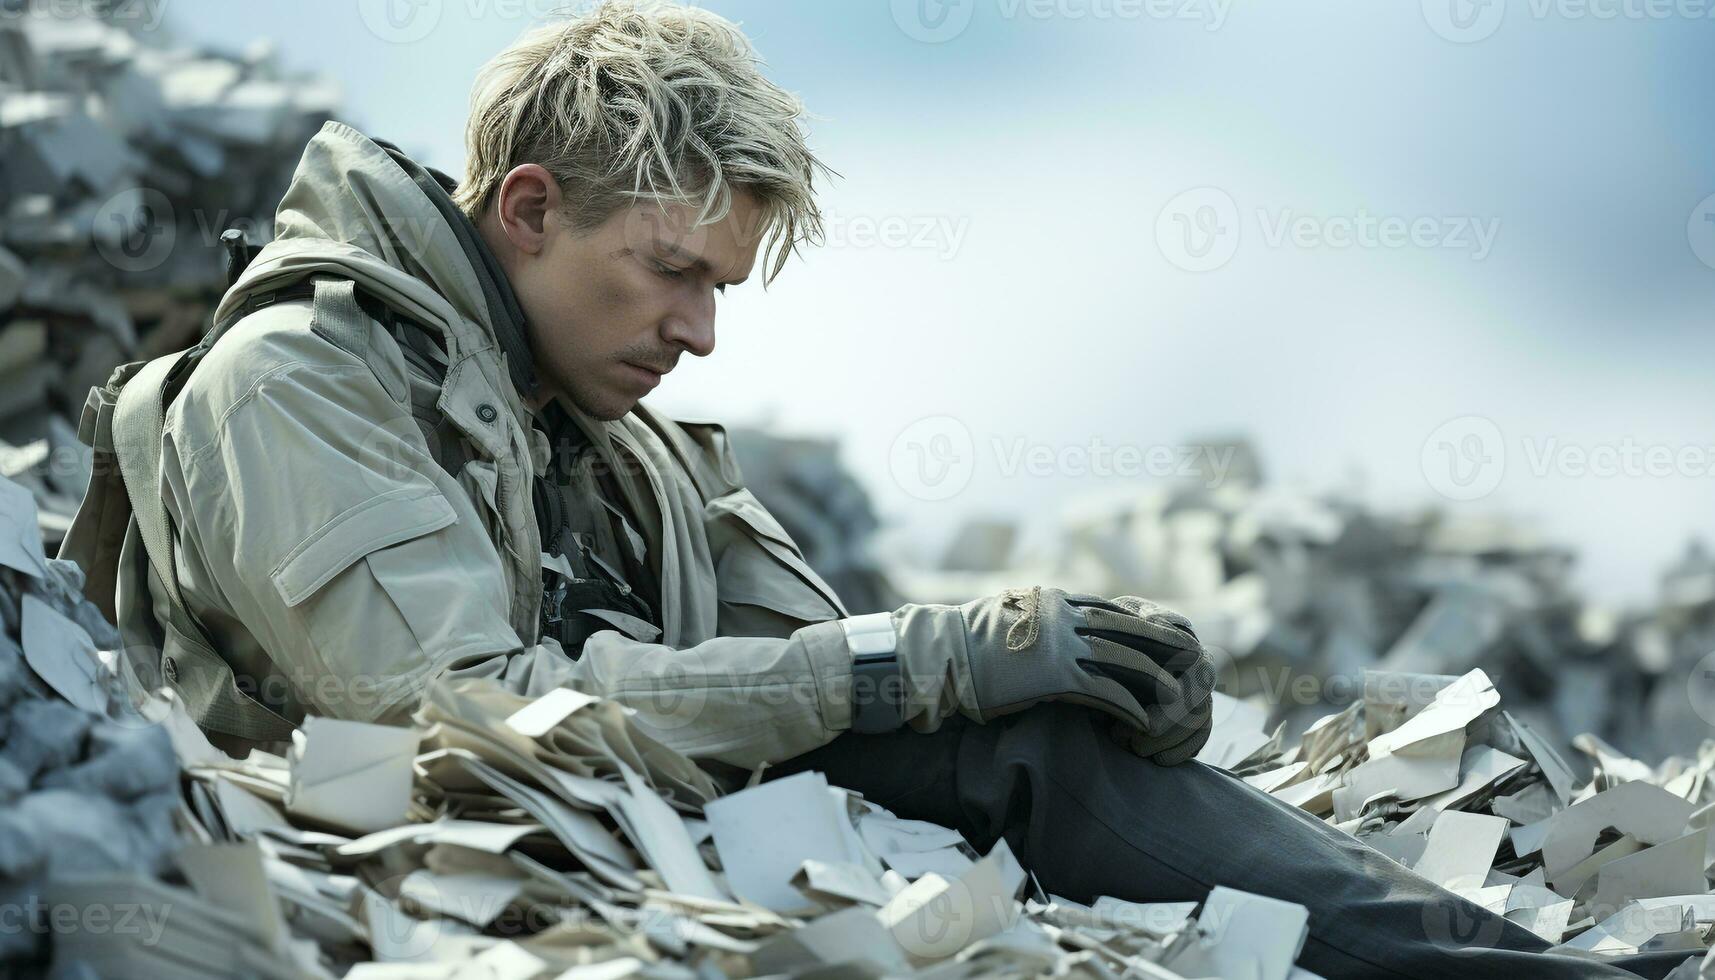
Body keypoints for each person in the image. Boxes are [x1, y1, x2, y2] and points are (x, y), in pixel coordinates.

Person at [59, 4, 1699, 978]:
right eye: (671, 273)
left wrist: (1057, 655)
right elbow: (462, 712)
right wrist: (931, 665)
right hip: (441, 880)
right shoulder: (295, 379)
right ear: (530, 208)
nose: (700, 331)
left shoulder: (599, 423)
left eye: (722, 288)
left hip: (676, 842)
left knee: (1037, 724)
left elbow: (834, 666)